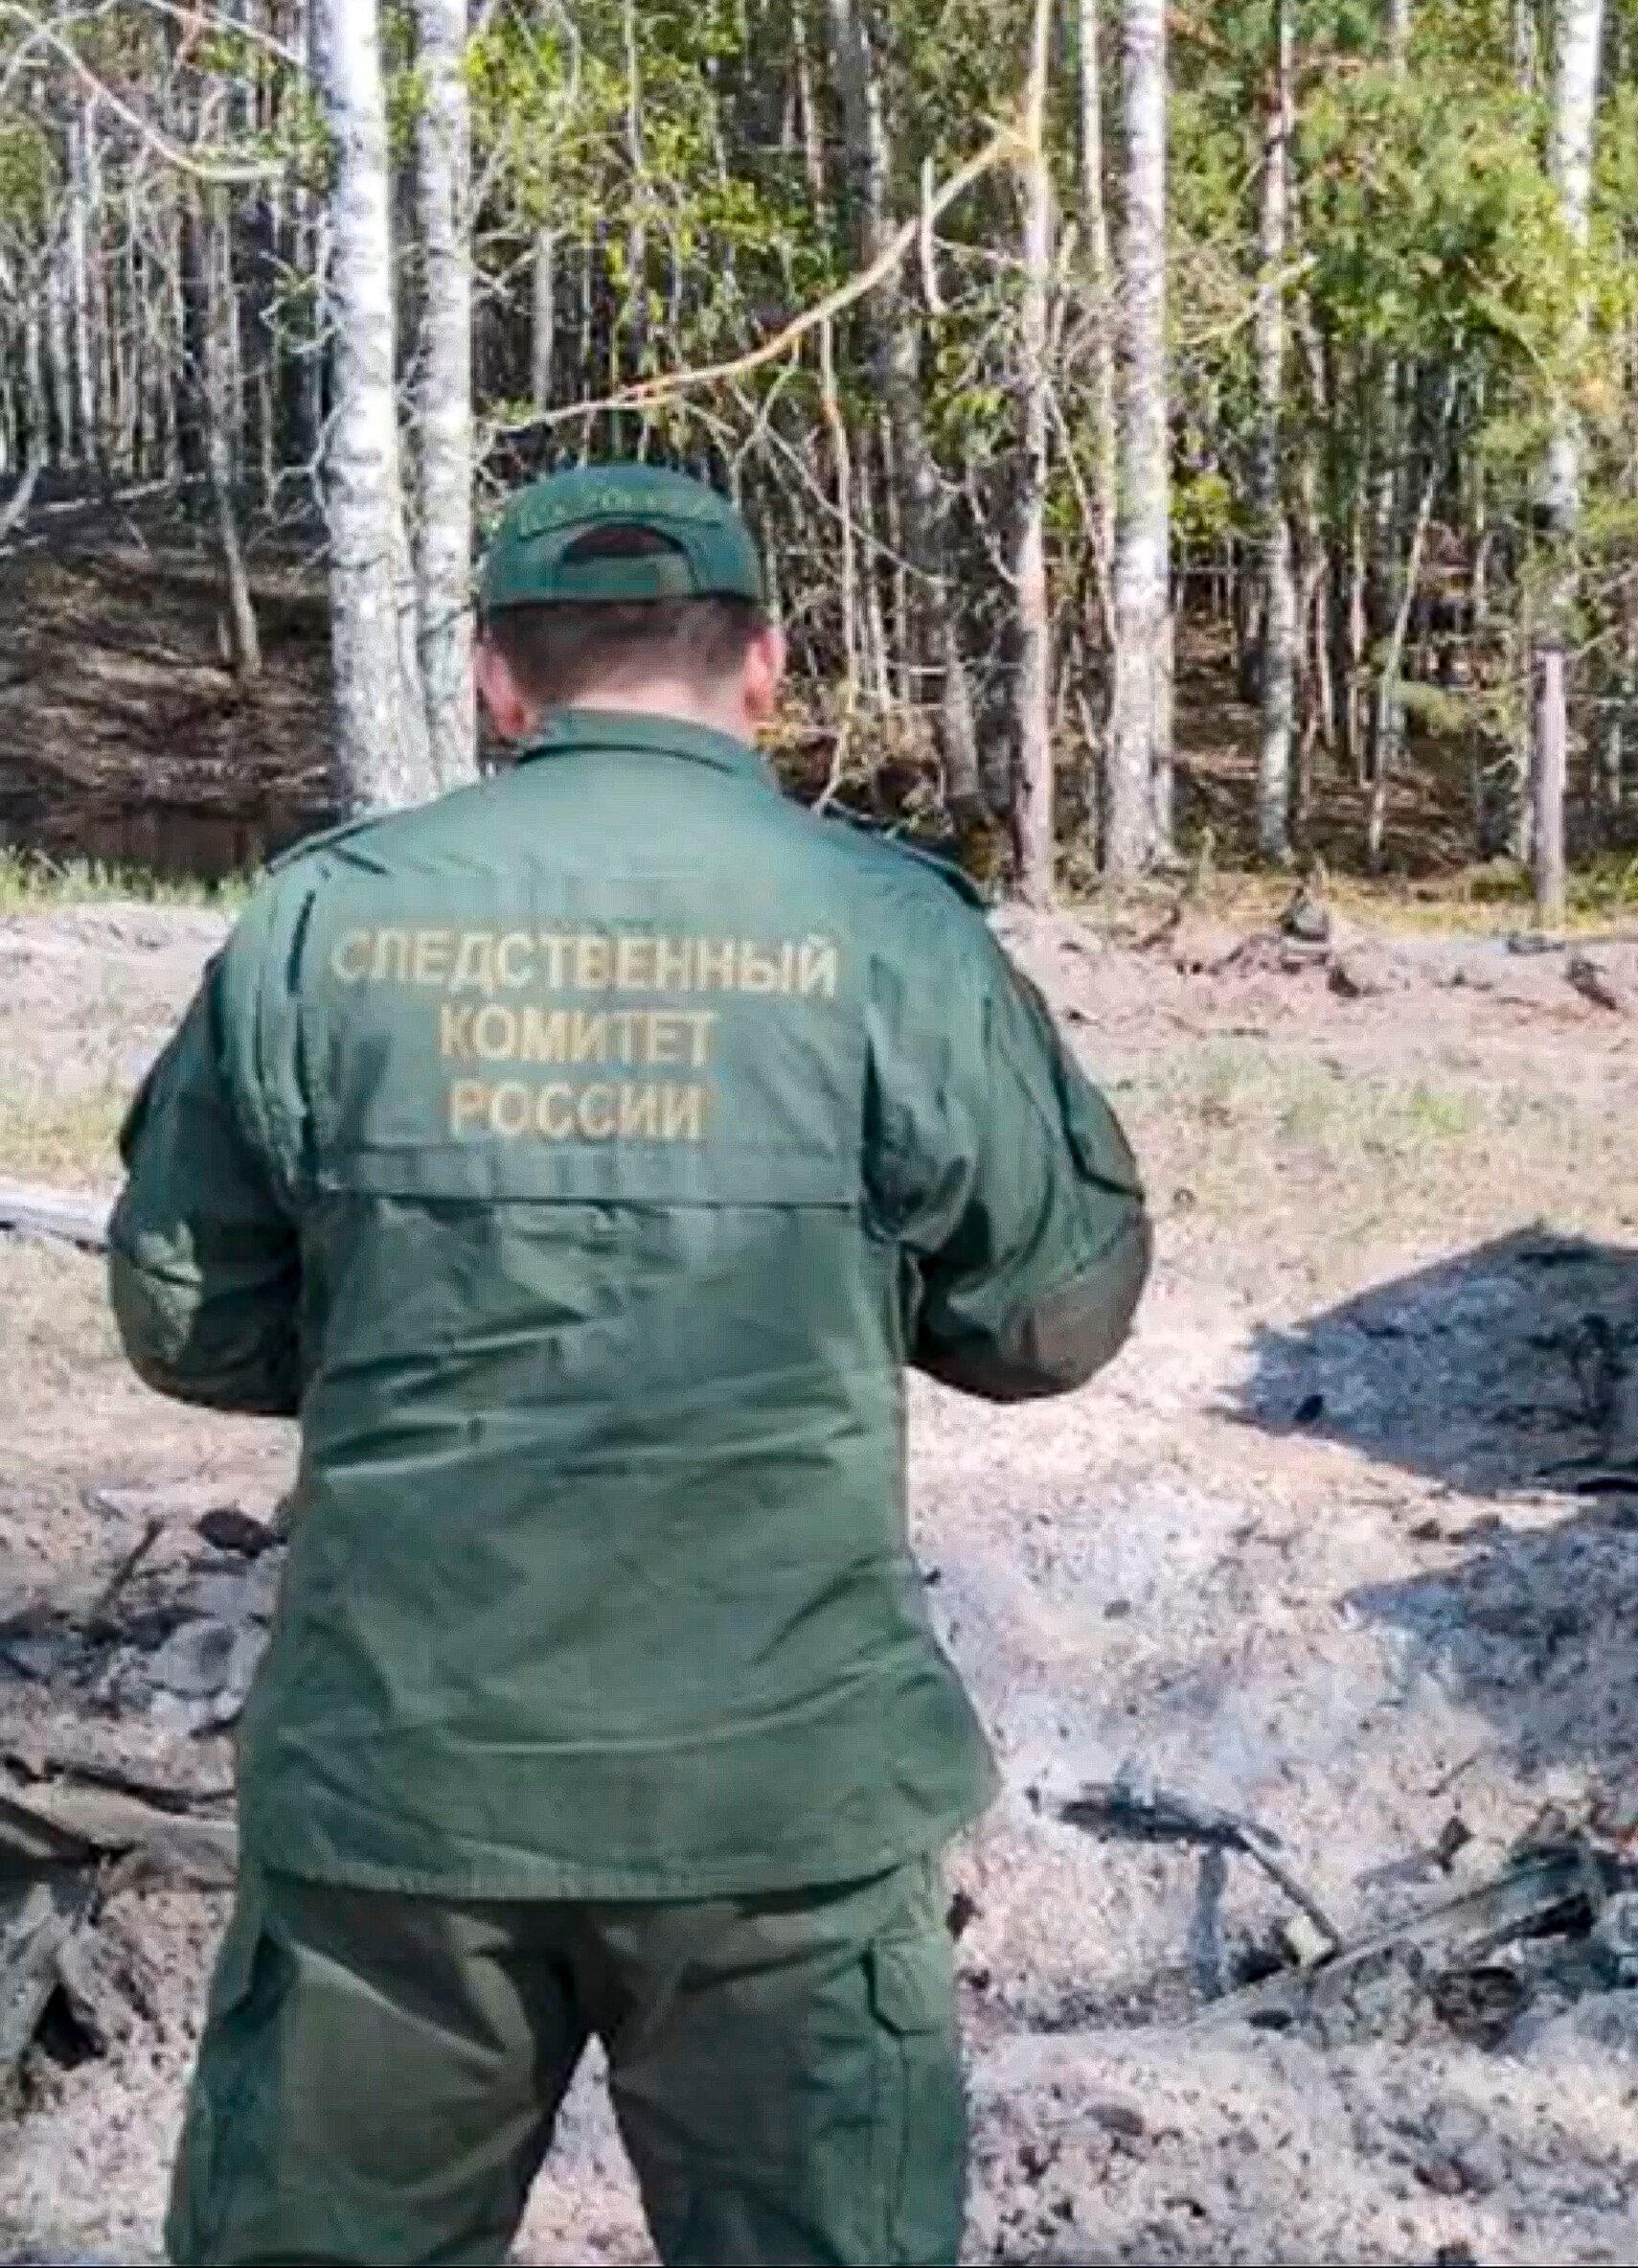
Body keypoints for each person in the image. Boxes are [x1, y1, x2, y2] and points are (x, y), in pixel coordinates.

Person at [106, 465, 1150, 2267]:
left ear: (499, 687)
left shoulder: (321, 925)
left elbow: (189, 1313)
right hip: (781, 1806)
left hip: (400, 1799)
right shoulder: (886, 933)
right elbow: (1052, 1317)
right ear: (762, 668)